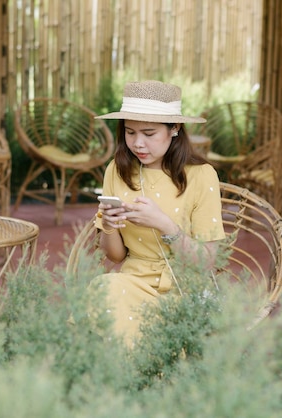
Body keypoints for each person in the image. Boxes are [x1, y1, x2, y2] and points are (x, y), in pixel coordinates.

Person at [91, 80, 225, 347]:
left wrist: (166, 226)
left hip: (184, 288)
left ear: (174, 128)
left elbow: (206, 262)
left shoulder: (201, 176)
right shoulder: (116, 171)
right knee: (104, 289)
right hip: (132, 282)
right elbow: (115, 256)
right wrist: (109, 225)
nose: (138, 143)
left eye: (149, 133)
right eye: (130, 132)